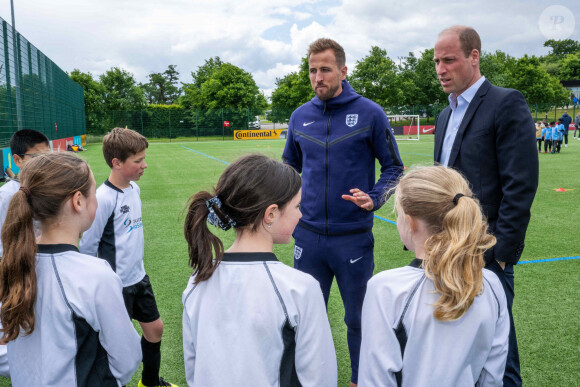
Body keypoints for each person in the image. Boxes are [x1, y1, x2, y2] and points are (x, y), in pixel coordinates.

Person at [282, 38, 404, 386]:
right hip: (307, 237)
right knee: (304, 319)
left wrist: (375, 197)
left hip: (352, 238)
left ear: (343, 71)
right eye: (312, 70)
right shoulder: (300, 117)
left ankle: (358, 379)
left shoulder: (369, 113)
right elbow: (288, 169)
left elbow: (394, 168)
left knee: (358, 320)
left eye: (325, 69)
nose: (317, 77)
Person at [433, 26, 538, 386]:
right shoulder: (445, 115)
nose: (440, 69)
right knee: (455, 344)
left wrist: (502, 254)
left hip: (485, 254)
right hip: (444, 249)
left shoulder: (506, 102)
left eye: (449, 60)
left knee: (498, 351)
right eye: (436, 61)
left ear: (474, 57)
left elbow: (520, 184)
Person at [182, 154, 337, 386]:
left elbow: (194, 370)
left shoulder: (197, 281)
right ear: (271, 213)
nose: (301, 214)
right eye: (297, 206)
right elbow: (320, 376)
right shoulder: (299, 288)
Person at [359, 166, 509, 386]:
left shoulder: (386, 288)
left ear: (410, 222)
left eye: (399, 214)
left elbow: (375, 378)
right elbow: (492, 376)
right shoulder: (491, 284)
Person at [0, 153, 141, 386]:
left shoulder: (11, 265)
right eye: (93, 193)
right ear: (78, 201)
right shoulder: (95, 275)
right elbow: (128, 357)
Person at [79, 128, 176, 387]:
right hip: (115, 286)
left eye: (144, 158)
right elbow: (87, 247)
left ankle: (150, 382)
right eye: (138, 161)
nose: (144, 165)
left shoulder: (134, 189)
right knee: (114, 348)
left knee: (154, 330)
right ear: (117, 163)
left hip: (139, 279)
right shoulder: (103, 198)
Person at [0, 129, 50, 378]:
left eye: (47, 157)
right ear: (17, 160)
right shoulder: (6, 198)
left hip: (44, 278)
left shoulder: (46, 189)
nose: (44, 163)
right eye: (36, 157)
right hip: (18, 281)